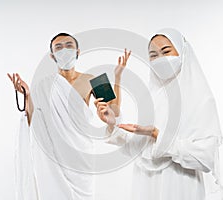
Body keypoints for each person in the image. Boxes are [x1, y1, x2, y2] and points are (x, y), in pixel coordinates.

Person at [95, 28, 223, 200]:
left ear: (182, 52)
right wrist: (112, 123)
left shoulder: (200, 99)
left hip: (181, 185)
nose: (160, 59)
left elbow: (205, 158)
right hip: (146, 185)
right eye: (153, 55)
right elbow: (137, 150)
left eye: (166, 51)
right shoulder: (151, 98)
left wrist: (157, 134)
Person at [7, 32, 131, 200]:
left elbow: (114, 110)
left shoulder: (92, 79)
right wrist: (27, 95)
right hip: (55, 156)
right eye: (59, 47)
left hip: (82, 153)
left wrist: (118, 76)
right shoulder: (45, 84)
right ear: (52, 56)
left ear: (78, 52)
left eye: (69, 45)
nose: (64, 50)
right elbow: (34, 119)